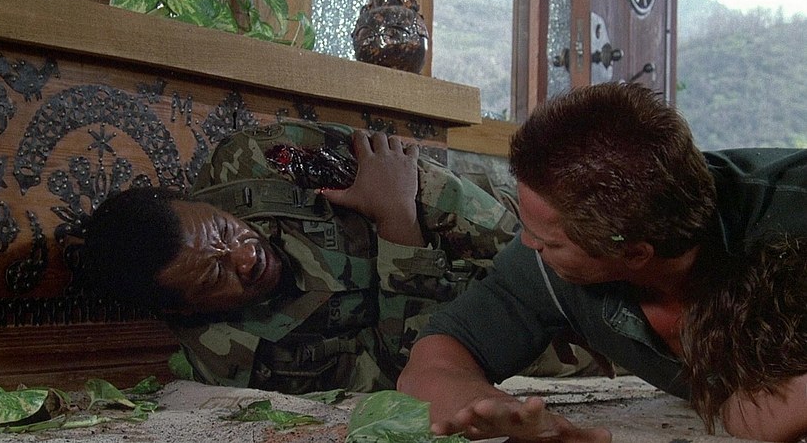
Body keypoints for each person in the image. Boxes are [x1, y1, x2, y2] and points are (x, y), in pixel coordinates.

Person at [397, 82, 807, 442]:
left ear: (634, 254)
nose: (527, 242)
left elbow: (759, 414)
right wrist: (497, 411)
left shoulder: (788, 218)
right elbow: (434, 361)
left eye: (548, 241)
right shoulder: (548, 263)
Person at [82, 120, 537, 394]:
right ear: (182, 310)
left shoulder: (251, 163)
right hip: (489, 337)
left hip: (510, 226)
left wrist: (538, 263)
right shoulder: (239, 366)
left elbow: (412, 179)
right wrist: (396, 223)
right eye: (215, 274)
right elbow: (399, 375)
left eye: (223, 230)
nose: (245, 257)